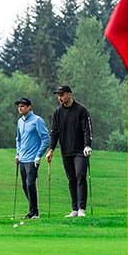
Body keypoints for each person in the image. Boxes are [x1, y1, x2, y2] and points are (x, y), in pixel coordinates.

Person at [45, 85, 93, 218]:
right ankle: (75, 209)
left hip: (80, 151)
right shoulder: (57, 113)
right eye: (58, 95)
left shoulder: (81, 110)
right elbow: (54, 133)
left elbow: (87, 129)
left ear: (69, 94)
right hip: (66, 150)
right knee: (71, 179)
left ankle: (82, 208)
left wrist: (87, 145)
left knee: (80, 175)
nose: (59, 97)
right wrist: (51, 150)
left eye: (62, 94)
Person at [14, 98, 50, 219]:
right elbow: (18, 139)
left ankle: (34, 212)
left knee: (30, 184)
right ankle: (33, 210)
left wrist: (39, 155)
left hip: (32, 159)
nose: (20, 108)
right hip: (22, 159)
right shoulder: (20, 121)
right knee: (25, 185)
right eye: (19, 106)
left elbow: (45, 139)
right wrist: (17, 154)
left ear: (29, 107)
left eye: (23, 106)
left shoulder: (37, 120)